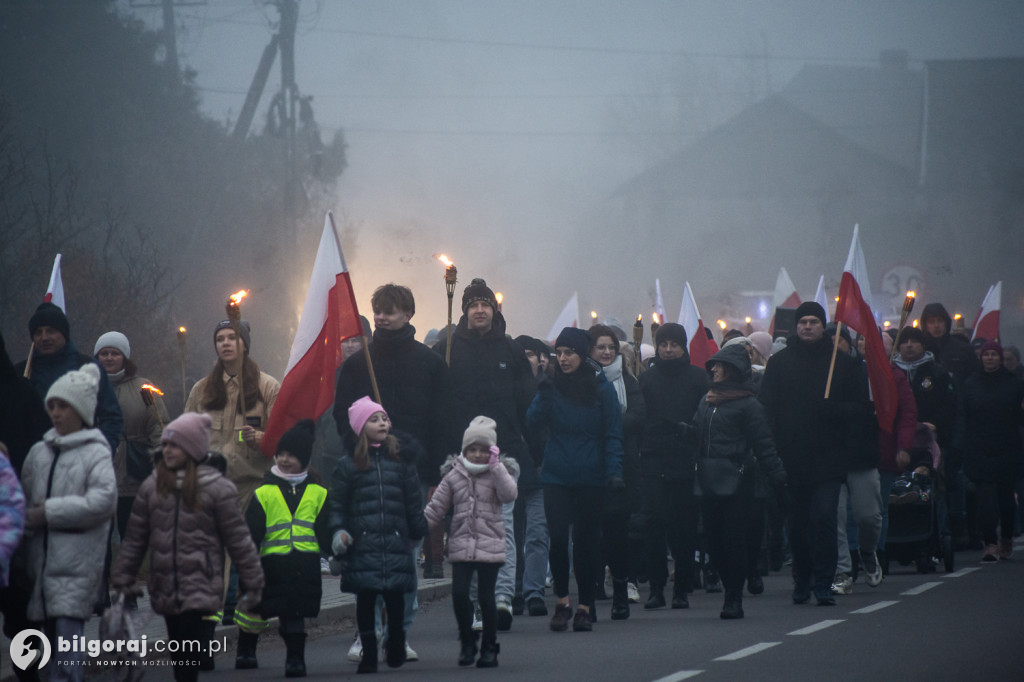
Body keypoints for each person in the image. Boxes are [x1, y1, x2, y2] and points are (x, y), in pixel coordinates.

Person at [334, 285, 450, 663]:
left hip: (411, 473)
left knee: (405, 555)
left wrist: (434, 472)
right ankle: (367, 631)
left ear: (409, 314)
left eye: (390, 311)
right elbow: (342, 416)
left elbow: (441, 422)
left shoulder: (431, 364)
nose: (382, 317)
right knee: (367, 556)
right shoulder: (356, 366)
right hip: (366, 471)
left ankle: (399, 631)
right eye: (377, 311)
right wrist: (357, 455)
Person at [112, 412, 264, 682]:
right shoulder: (153, 487)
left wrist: (253, 581)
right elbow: (136, 538)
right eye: (166, 445)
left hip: (200, 581)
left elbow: (239, 539)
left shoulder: (217, 489)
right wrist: (123, 577)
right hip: (165, 582)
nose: (167, 450)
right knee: (178, 649)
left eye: (175, 445)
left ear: (192, 449)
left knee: (186, 647)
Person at [434, 278, 534, 632]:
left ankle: (503, 597)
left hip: (503, 455)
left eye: (485, 304)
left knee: (503, 529)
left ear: (494, 309)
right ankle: (477, 602)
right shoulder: (445, 349)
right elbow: (436, 404)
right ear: (463, 311)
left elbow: (527, 405)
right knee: (467, 533)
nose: (479, 310)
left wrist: (528, 447)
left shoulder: (510, 351)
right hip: (461, 460)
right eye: (473, 305)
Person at [759, 302, 862, 606]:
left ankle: (823, 582)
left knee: (825, 519)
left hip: (829, 460)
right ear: (795, 327)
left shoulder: (842, 364)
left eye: (814, 322)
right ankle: (801, 578)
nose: (807, 327)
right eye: (802, 321)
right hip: (791, 458)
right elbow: (767, 408)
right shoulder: (779, 363)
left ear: (823, 326)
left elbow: (860, 410)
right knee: (798, 525)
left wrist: (837, 411)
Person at [20, 364, 117, 682]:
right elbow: (21, 499)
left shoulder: (96, 453)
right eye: (53, 405)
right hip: (40, 567)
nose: (57, 413)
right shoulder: (39, 453)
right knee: (44, 650)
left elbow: (103, 501)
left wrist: (49, 512)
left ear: (82, 411)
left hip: (76, 567)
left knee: (67, 648)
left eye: (65, 406)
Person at [526, 327, 624, 632]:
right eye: (559, 353)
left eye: (570, 353)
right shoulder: (551, 387)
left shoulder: (601, 389)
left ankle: (585, 605)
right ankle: (563, 601)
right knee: (557, 538)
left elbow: (613, 433)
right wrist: (541, 395)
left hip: (591, 475)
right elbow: (531, 423)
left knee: (585, 543)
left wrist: (614, 471)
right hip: (556, 473)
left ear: (582, 355)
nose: (563, 359)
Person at [327, 397, 427, 674]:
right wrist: (339, 532)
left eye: (384, 417)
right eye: (374, 419)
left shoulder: (402, 461)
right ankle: (369, 650)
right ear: (361, 428)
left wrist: (418, 530)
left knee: (396, 596)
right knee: (367, 597)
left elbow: (412, 502)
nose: (382, 422)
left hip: (396, 540)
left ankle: (395, 640)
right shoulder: (348, 465)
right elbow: (338, 504)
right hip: (363, 543)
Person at [693, 344, 787, 619]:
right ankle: (728, 581)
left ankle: (733, 596)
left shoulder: (749, 404)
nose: (714, 369)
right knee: (713, 540)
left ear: (734, 370)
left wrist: (778, 476)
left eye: (720, 365)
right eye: (714, 365)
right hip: (709, 480)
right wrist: (683, 434)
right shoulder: (707, 400)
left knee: (733, 539)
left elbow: (763, 444)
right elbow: (699, 435)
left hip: (738, 481)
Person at [235, 419, 330, 677]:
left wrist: (338, 548)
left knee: (294, 613)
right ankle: (246, 649)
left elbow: (326, 531)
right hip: (268, 566)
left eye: (292, 455)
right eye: (281, 454)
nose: (285, 460)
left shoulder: (318, 493)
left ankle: (295, 659)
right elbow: (250, 532)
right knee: (253, 609)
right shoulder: (264, 492)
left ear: (305, 460)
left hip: (303, 567)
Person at [424, 416, 518, 667]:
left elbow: (509, 495)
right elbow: (436, 508)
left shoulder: (498, 473)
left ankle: (490, 646)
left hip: (490, 545)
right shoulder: (454, 475)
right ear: (464, 450)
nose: (477, 455)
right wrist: (418, 528)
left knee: (487, 598)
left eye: (483, 450)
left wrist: (497, 467)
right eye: (472, 449)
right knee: (459, 594)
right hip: (462, 544)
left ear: (492, 452)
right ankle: (467, 640)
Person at [635, 323, 709, 611]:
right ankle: (656, 588)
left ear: (683, 347)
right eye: (663, 344)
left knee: (684, 528)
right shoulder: (647, 379)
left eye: (673, 344)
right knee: (655, 524)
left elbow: (703, 418)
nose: (668, 349)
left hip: (686, 460)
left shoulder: (697, 379)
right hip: (654, 459)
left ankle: (681, 589)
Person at [185, 320, 280, 513]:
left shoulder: (268, 387)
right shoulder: (202, 389)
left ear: (245, 345)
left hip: (253, 489)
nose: (225, 343)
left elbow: (281, 437)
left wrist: (259, 438)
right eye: (220, 339)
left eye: (232, 338)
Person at [588, 324, 646, 618]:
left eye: (611, 347)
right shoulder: (581, 380)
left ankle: (623, 585)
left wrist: (609, 426)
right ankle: (595, 584)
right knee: (592, 529)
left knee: (619, 529)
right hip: (588, 464)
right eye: (601, 347)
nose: (607, 352)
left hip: (623, 464)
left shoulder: (627, 378)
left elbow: (637, 414)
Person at [15, 302, 123, 454]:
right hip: (31, 464)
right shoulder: (21, 373)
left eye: (51, 331)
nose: (44, 337)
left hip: (81, 459)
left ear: (63, 333)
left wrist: (102, 451)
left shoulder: (87, 368)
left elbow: (111, 417)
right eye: (38, 332)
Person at [94, 331, 169, 539]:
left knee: (132, 538)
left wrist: (162, 465)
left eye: (115, 353)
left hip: (135, 476)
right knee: (99, 539)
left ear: (125, 358)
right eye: (104, 353)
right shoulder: (87, 387)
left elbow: (158, 427)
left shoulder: (144, 389)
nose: (109, 358)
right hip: (98, 475)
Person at [956, 341, 1024, 561]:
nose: (990, 358)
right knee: (985, 500)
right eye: (987, 355)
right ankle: (990, 543)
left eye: (994, 354)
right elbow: (963, 415)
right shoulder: (970, 384)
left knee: (1005, 499)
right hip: (979, 448)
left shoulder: (1015, 383)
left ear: (1000, 358)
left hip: (1007, 447)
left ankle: (1005, 538)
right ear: (981, 358)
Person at [511, 335, 552, 618]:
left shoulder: (550, 389)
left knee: (538, 534)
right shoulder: (507, 390)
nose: (527, 358)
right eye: (521, 353)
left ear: (541, 358)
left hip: (541, 472)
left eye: (531, 353)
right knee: (511, 535)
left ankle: (534, 591)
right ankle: (514, 589)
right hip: (510, 472)